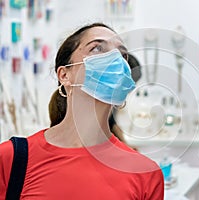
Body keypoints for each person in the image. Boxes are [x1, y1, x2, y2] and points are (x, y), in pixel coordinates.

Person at [0, 22, 164, 199]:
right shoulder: (11, 158)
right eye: (97, 48)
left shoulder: (145, 173)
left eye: (122, 54)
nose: (116, 59)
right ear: (64, 75)